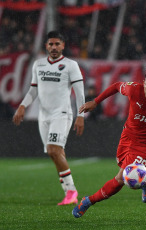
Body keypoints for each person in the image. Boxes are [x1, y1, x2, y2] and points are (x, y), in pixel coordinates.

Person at [72, 68, 146, 218]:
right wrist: (95, 101)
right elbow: (116, 85)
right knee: (124, 169)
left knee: (122, 178)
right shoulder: (134, 90)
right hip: (128, 136)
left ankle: (88, 201)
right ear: (143, 83)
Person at [12, 31, 85, 205]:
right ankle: (69, 192)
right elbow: (33, 90)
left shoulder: (70, 65)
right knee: (55, 154)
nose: (54, 47)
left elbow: (80, 92)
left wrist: (81, 115)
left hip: (62, 114)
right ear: (46, 46)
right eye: (51, 44)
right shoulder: (38, 65)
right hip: (43, 116)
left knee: (53, 150)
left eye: (57, 44)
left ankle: (72, 191)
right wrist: (22, 106)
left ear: (63, 46)